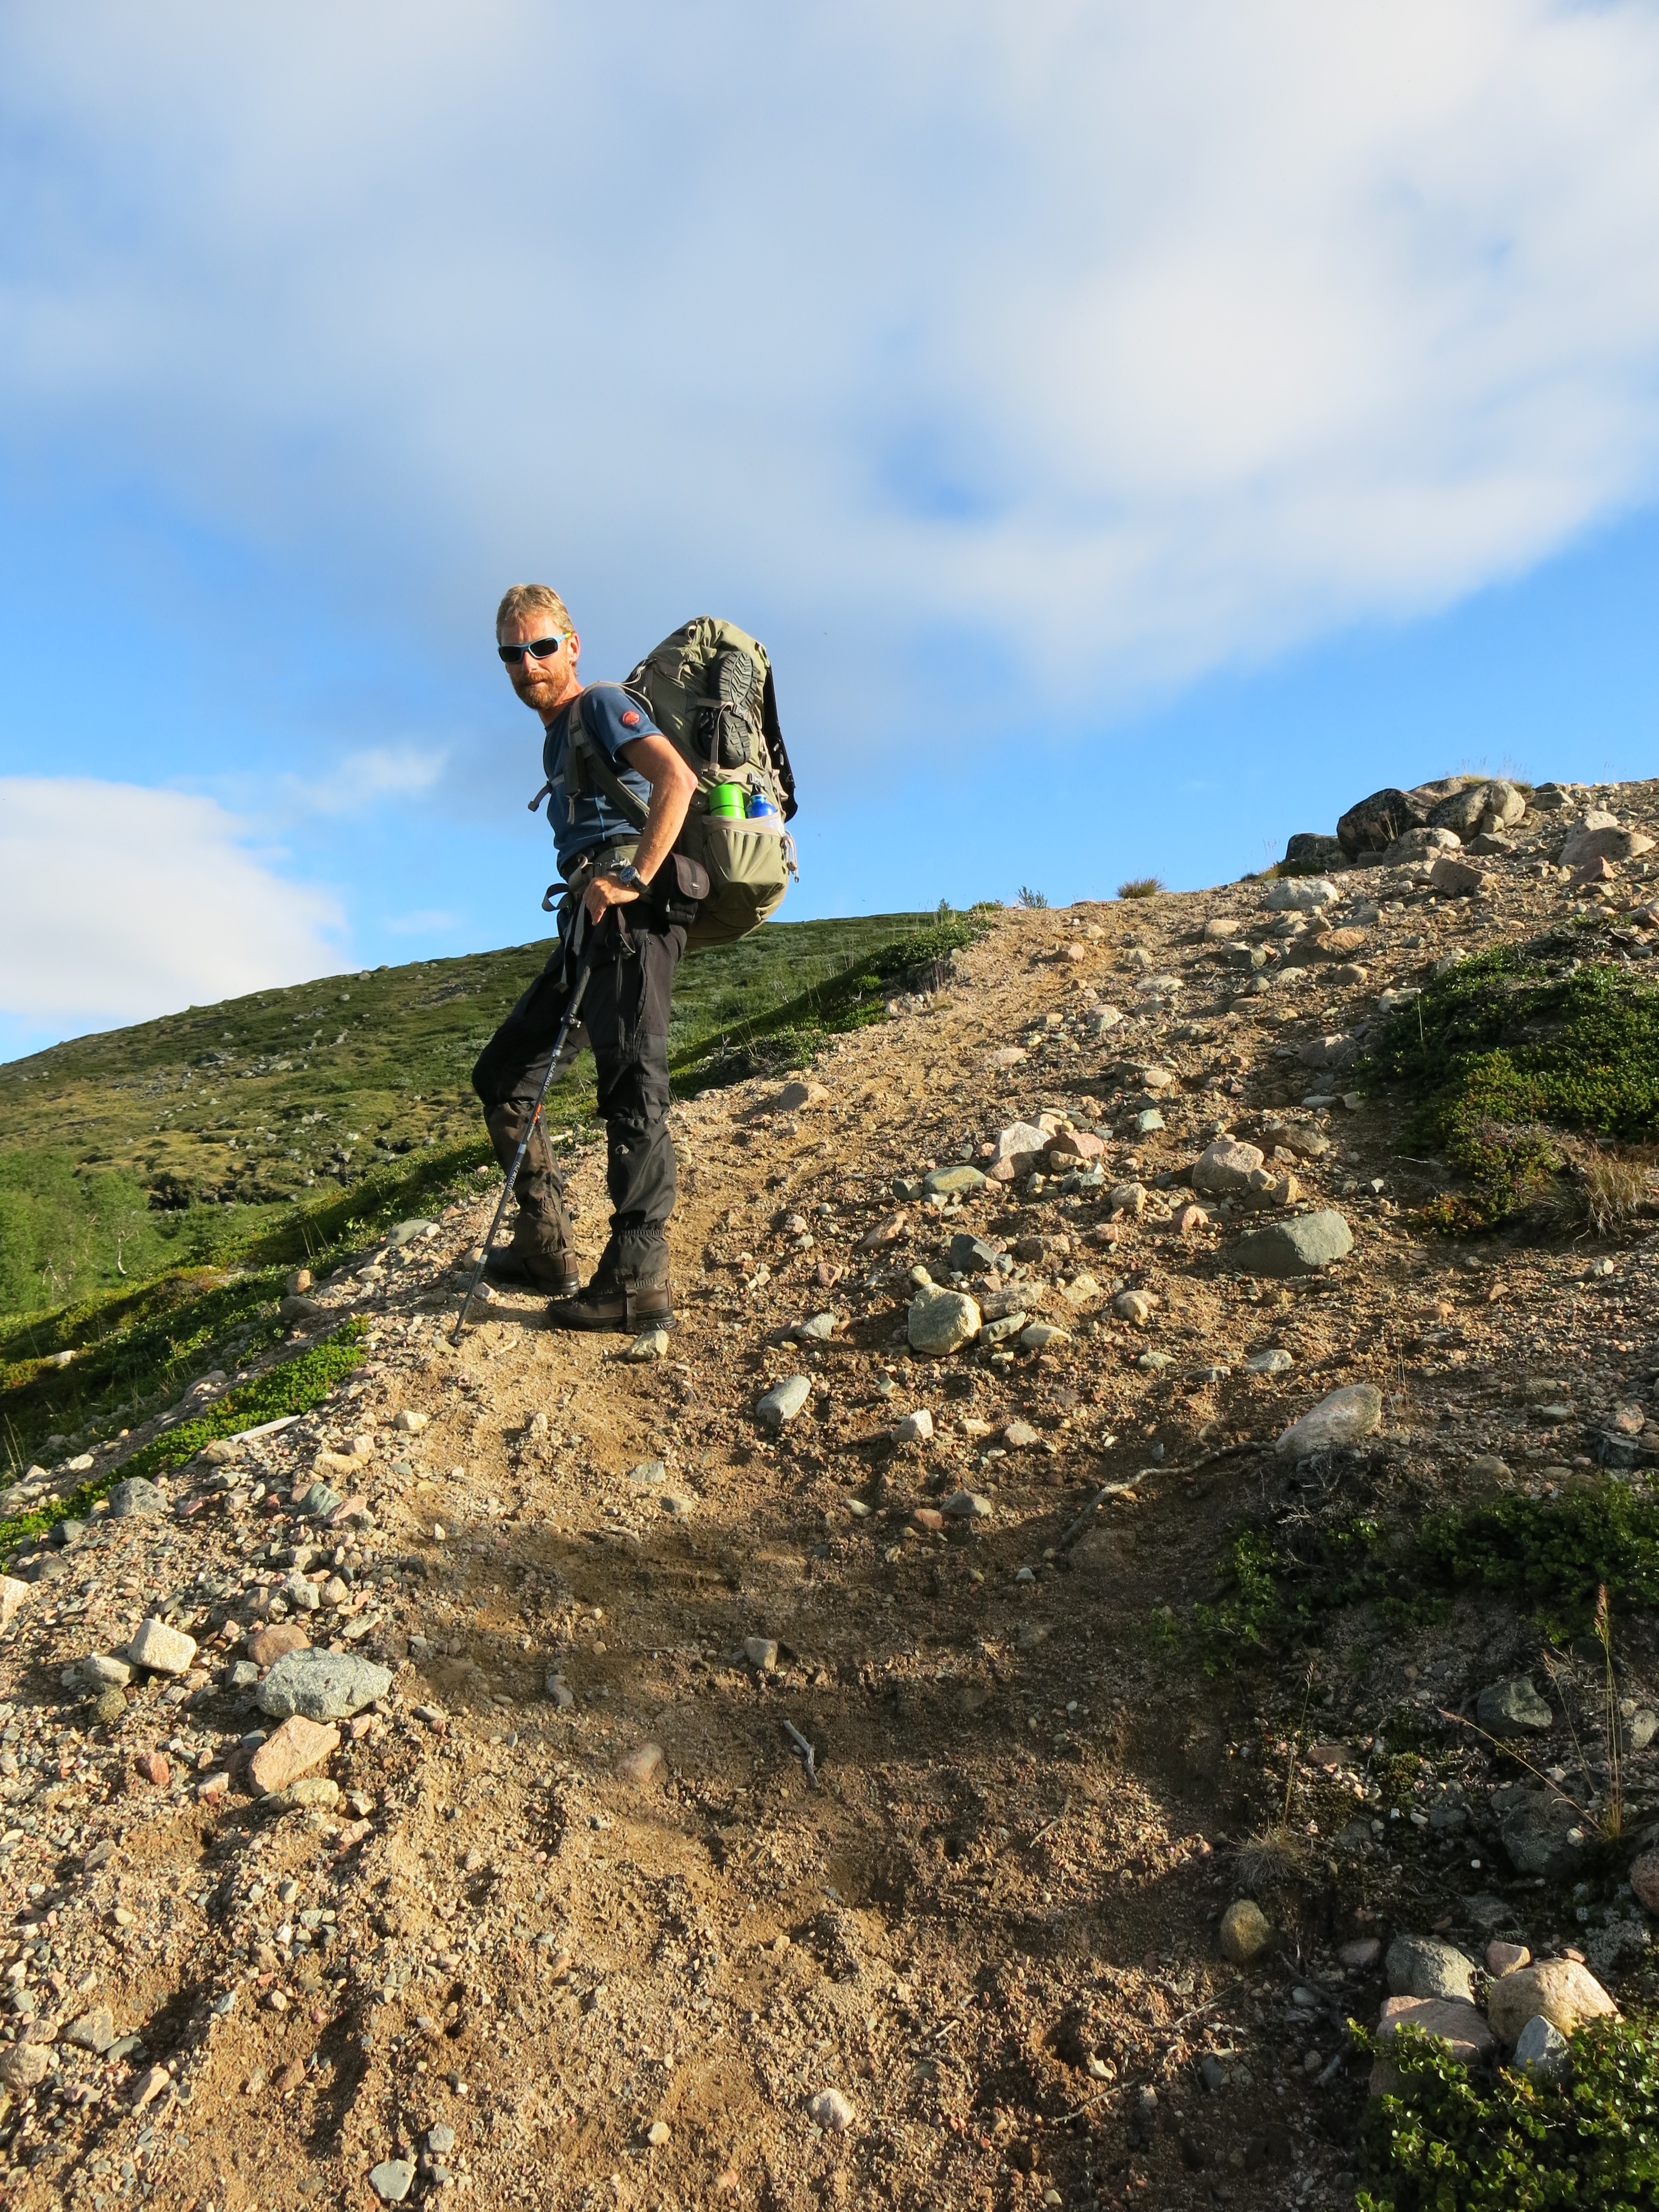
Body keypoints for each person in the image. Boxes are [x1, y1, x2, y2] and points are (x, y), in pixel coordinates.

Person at [470, 583, 700, 1331]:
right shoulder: (557, 734)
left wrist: (633, 877)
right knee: (504, 1076)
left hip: (630, 915)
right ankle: (544, 1249)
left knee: (633, 1086)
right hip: (588, 922)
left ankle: (637, 1280)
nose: (527, 663)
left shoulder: (601, 704)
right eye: (512, 653)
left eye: (541, 647)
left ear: (572, 646)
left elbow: (677, 779)